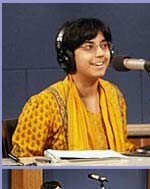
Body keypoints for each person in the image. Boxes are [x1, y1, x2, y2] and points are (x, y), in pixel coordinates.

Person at [11, 18, 135, 157]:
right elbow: (23, 160)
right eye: (89, 47)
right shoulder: (45, 104)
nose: (100, 53)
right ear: (67, 57)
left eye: (104, 45)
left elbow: (123, 148)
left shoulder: (114, 95)